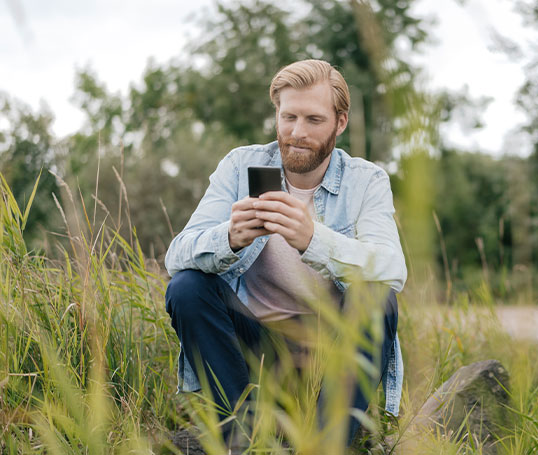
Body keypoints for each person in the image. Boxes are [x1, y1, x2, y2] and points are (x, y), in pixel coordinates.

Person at [164, 59, 407, 450]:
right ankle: (240, 436)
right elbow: (177, 255)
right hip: (256, 355)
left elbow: (392, 269)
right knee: (187, 286)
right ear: (277, 114)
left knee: (378, 296)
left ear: (339, 123)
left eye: (313, 119)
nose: (297, 132)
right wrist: (230, 237)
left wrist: (314, 240)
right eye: (288, 116)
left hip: (331, 360)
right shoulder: (240, 165)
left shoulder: (366, 180)